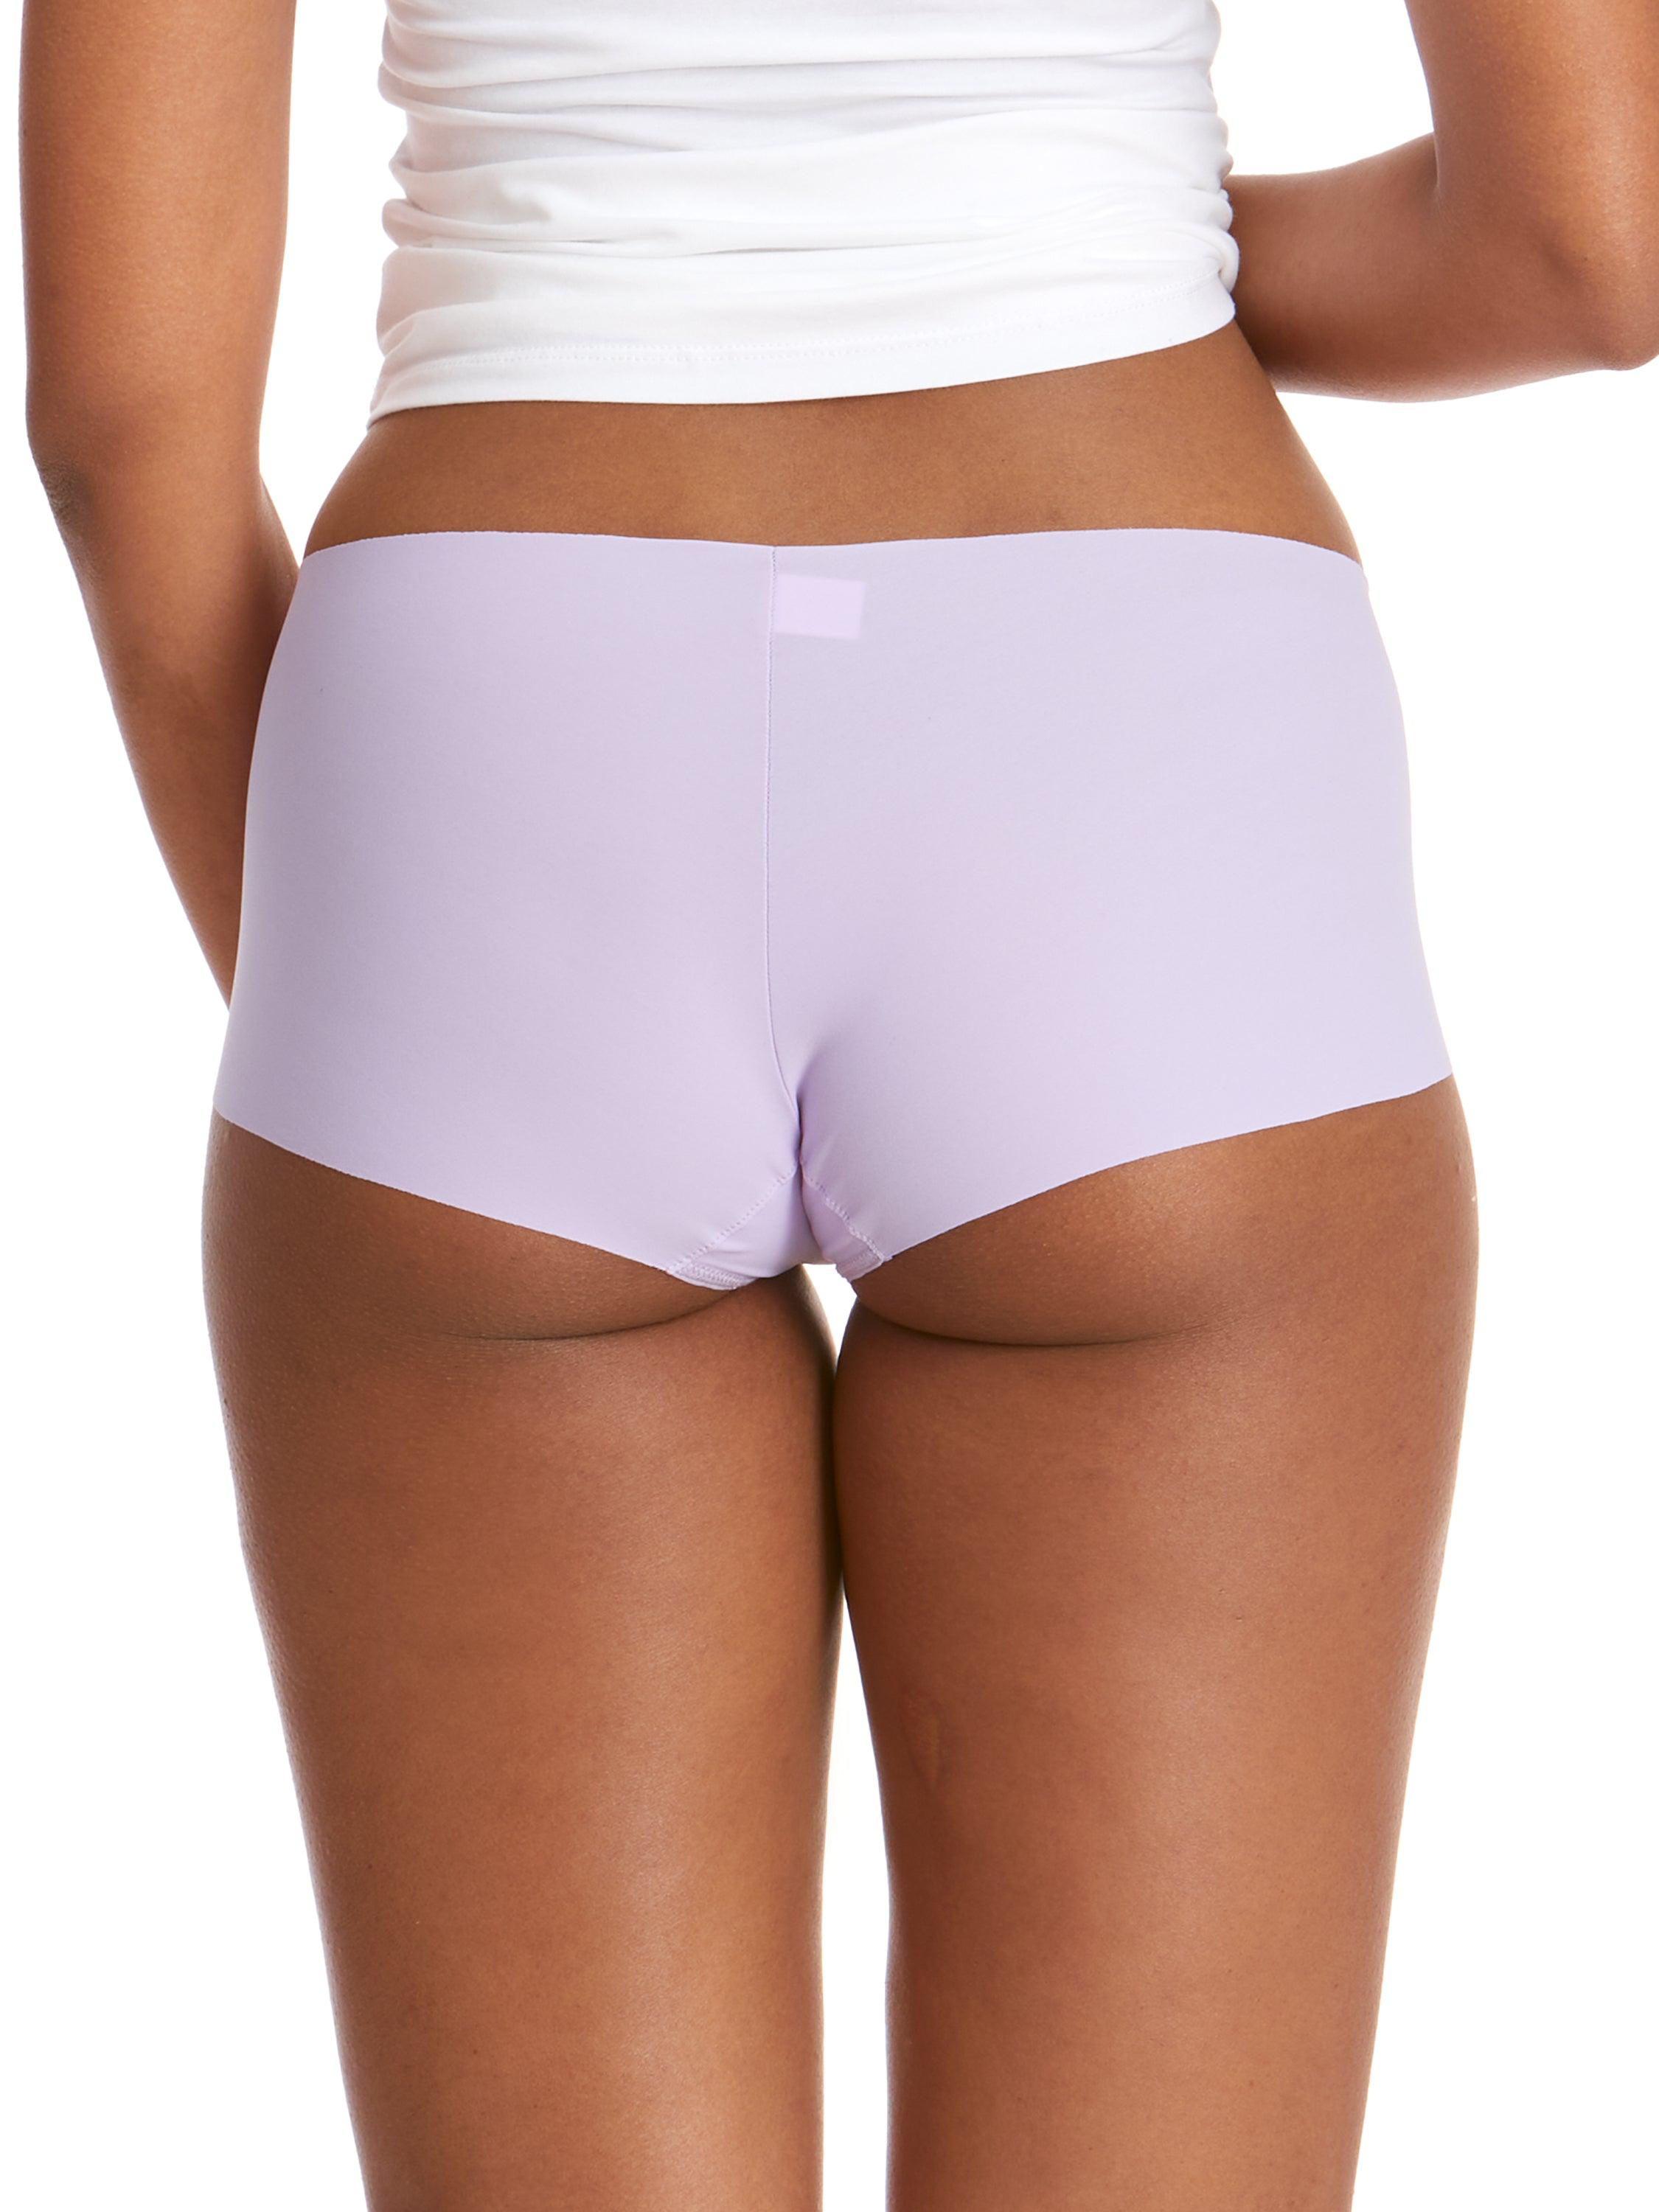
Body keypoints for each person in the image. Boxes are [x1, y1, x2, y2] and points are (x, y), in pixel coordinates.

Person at [21, 1, 1658, 2205]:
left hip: (502, 722)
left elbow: (121, 411)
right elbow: (1582, 247)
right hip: (1131, 706)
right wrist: (1098, 227)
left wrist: (398, 1015)